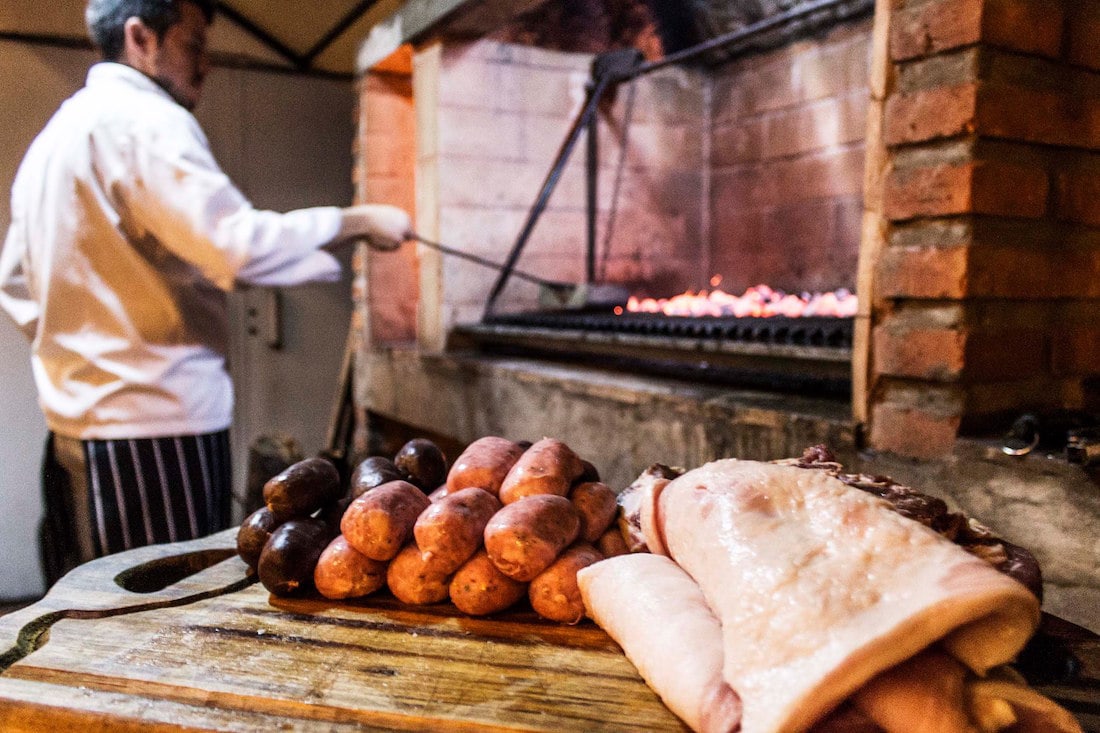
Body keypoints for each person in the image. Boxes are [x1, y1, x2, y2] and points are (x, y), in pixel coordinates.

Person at [0, 0, 411, 584]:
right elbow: (234, 244)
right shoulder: (144, 120)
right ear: (141, 38)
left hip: (75, 428)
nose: (206, 64)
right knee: (163, 612)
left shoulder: (60, 133)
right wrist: (358, 221)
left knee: (98, 610)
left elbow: (15, 280)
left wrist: (79, 345)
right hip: (155, 429)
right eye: (193, 45)